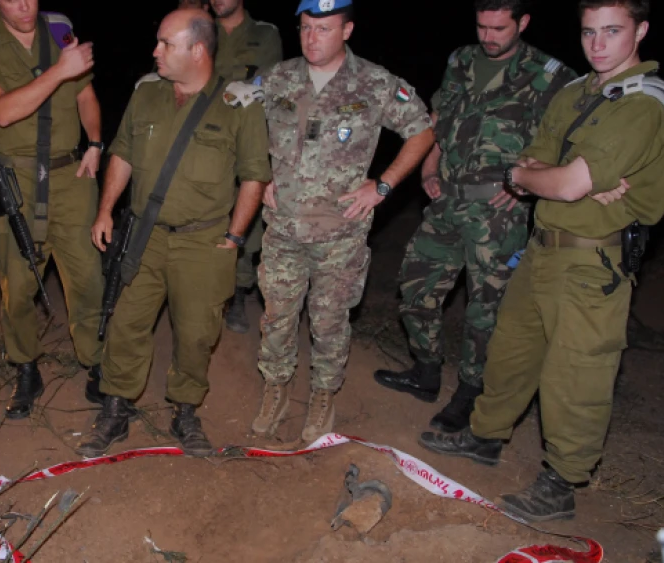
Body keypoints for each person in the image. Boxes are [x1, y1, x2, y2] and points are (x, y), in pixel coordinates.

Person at [419, 0, 664, 523]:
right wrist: (544, 178)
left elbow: (562, 183)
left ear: (642, 31)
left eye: (612, 31)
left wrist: (552, 180)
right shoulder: (576, 92)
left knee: (575, 377)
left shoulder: (643, 106)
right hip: (542, 249)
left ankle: (561, 483)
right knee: (511, 352)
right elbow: (527, 164)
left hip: (593, 264)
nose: (598, 44)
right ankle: (486, 437)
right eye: (589, 32)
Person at [373, 0, 577, 434]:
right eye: (482, 26)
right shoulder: (462, 60)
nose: (489, 36)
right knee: (415, 285)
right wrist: (429, 168)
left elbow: (568, 139)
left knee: (486, 310)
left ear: (523, 22)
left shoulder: (549, 74)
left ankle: (469, 393)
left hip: (498, 214)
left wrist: (529, 187)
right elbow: (440, 120)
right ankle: (426, 371)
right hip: (447, 201)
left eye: (499, 28)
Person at [76, 8, 271, 458]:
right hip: (145, 235)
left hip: (204, 242)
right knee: (127, 323)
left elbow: (254, 175)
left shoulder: (239, 104)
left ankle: (185, 410)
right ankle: (117, 406)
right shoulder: (147, 93)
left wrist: (236, 237)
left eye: (166, 43)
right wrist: (106, 211)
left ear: (198, 50)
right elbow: (122, 153)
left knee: (196, 332)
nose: (155, 51)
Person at [252, 0, 434, 442]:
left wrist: (384, 185)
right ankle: (275, 389)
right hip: (282, 228)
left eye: (325, 29)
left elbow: (423, 130)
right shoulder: (278, 78)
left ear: (347, 30)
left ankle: (322, 395)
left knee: (329, 321)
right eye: (306, 27)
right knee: (276, 318)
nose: (313, 38)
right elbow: (242, 127)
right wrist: (256, 175)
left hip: (340, 234)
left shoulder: (374, 82)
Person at [0, 0, 106, 418]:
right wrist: (60, 69)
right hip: (16, 179)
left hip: (71, 176)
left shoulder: (60, 26)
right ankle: (25, 365)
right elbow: (3, 112)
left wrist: (96, 143)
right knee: (18, 285)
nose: (24, 4)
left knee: (87, 277)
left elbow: (85, 94)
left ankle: (95, 362)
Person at [210, 0, 283, 334]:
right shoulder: (200, 29)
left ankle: (238, 294)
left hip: (246, 139)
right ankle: (202, 288)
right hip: (203, 140)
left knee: (246, 222)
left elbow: (272, 83)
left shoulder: (264, 35)